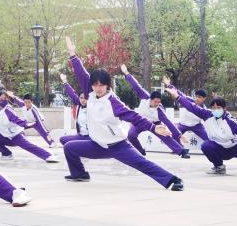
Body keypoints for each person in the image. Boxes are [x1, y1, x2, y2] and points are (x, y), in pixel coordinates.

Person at [61, 37, 184, 190]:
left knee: (141, 163)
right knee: (69, 147)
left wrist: (153, 127)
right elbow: (82, 74)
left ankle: (173, 180)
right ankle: (79, 174)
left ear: (107, 85)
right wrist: (72, 54)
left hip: (117, 145)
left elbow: (133, 116)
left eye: (102, 85)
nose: (98, 88)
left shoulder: (113, 101)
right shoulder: (90, 94)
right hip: (97, 144)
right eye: (95, 85)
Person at [0, 82, 57, 162]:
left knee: (29, 146)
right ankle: (6, 153)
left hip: (16, 136)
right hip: (6, 137)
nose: (3, 100)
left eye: (5, 98)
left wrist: (26, 124)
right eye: (1, 98)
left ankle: (48, 155)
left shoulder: (8, 110)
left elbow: (16, 119)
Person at [121, 65, 186, 157]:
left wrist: (179, 135)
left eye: (159, 102)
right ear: (150, 99)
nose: (157, 104)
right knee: (131, 135)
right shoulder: (144, 96)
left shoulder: (160, 111)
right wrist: (126, 73)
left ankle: (182, 151)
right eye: (155, 102)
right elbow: (136, 86)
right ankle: (141, 151)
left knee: (164, 135)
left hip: (155, 124)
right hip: (140, 121)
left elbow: (169, 123)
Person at [175, 87, 210, 156]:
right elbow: (179, 94)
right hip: (183, 124)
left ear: (204, 98)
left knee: (208, 138)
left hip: (196, 126)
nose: (197, 98)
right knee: (174, 135)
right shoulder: (189, 99)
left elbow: (209, 121)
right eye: (196, 96)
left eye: (199, 97)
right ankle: (181, 149)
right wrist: (169, 85)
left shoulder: (204, 109)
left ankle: (210, 150)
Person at [58, 72, 89, 144]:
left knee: (70, 146)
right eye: (81, 98)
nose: (83, 100)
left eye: (85, 98)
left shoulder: (92, 106)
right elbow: (71, 93)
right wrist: (65, 81)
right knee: (63, 139)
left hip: (90, 137)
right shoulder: (79, 104)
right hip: (80, 136)